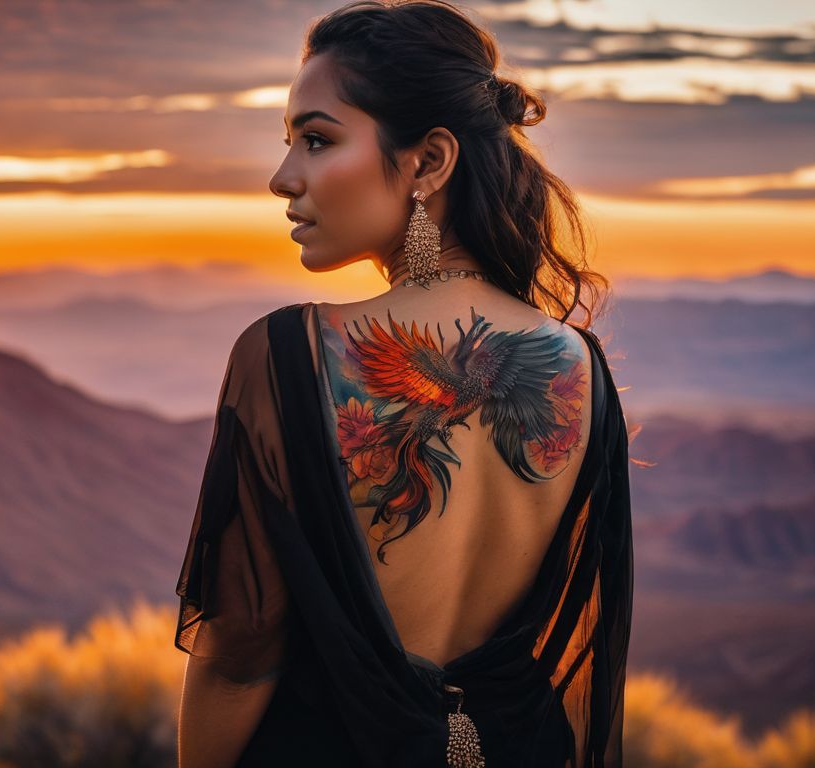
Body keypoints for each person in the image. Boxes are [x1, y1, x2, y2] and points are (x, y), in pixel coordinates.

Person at [173, 1, 633, 766]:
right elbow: (579, 643)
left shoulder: (288, 353)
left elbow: (241, 653)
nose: (282, 178)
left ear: (427, 161)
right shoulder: (579, 366)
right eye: (289, 144)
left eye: (317, 140)